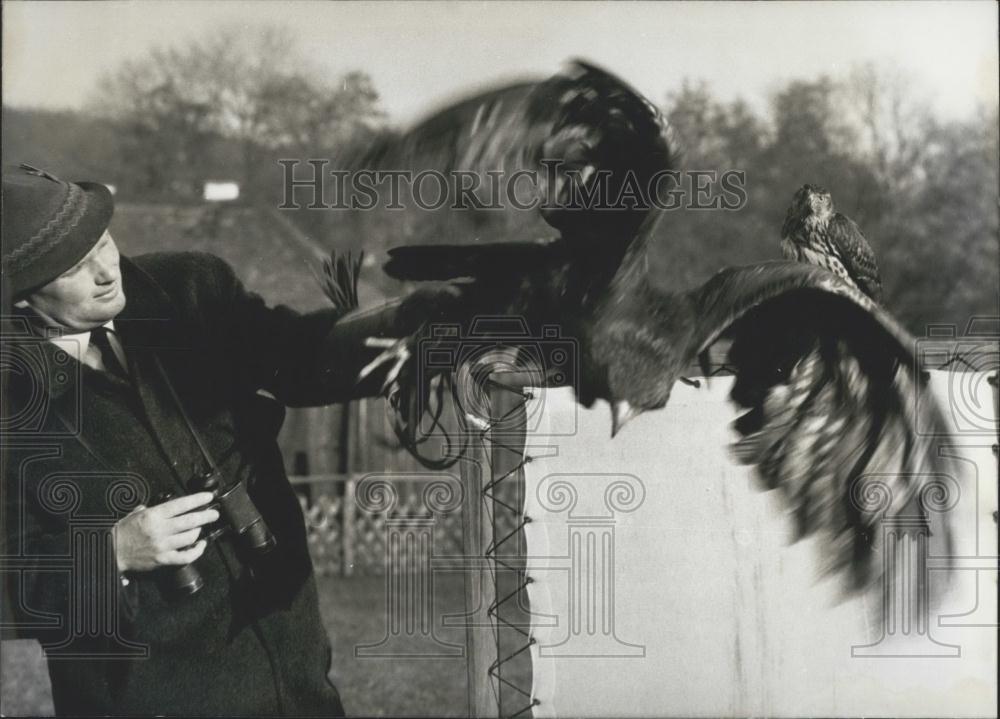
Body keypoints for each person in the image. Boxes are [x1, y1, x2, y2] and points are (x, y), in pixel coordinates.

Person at [0, 164, 456, 716]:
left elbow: (295, 351)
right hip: (147, 694)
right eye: (75, 268)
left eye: (103, 243)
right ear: (22, 297)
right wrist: (113, 551)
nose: (106, 271)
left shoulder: (188, 292)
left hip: (289, 671)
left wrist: (415, 325)